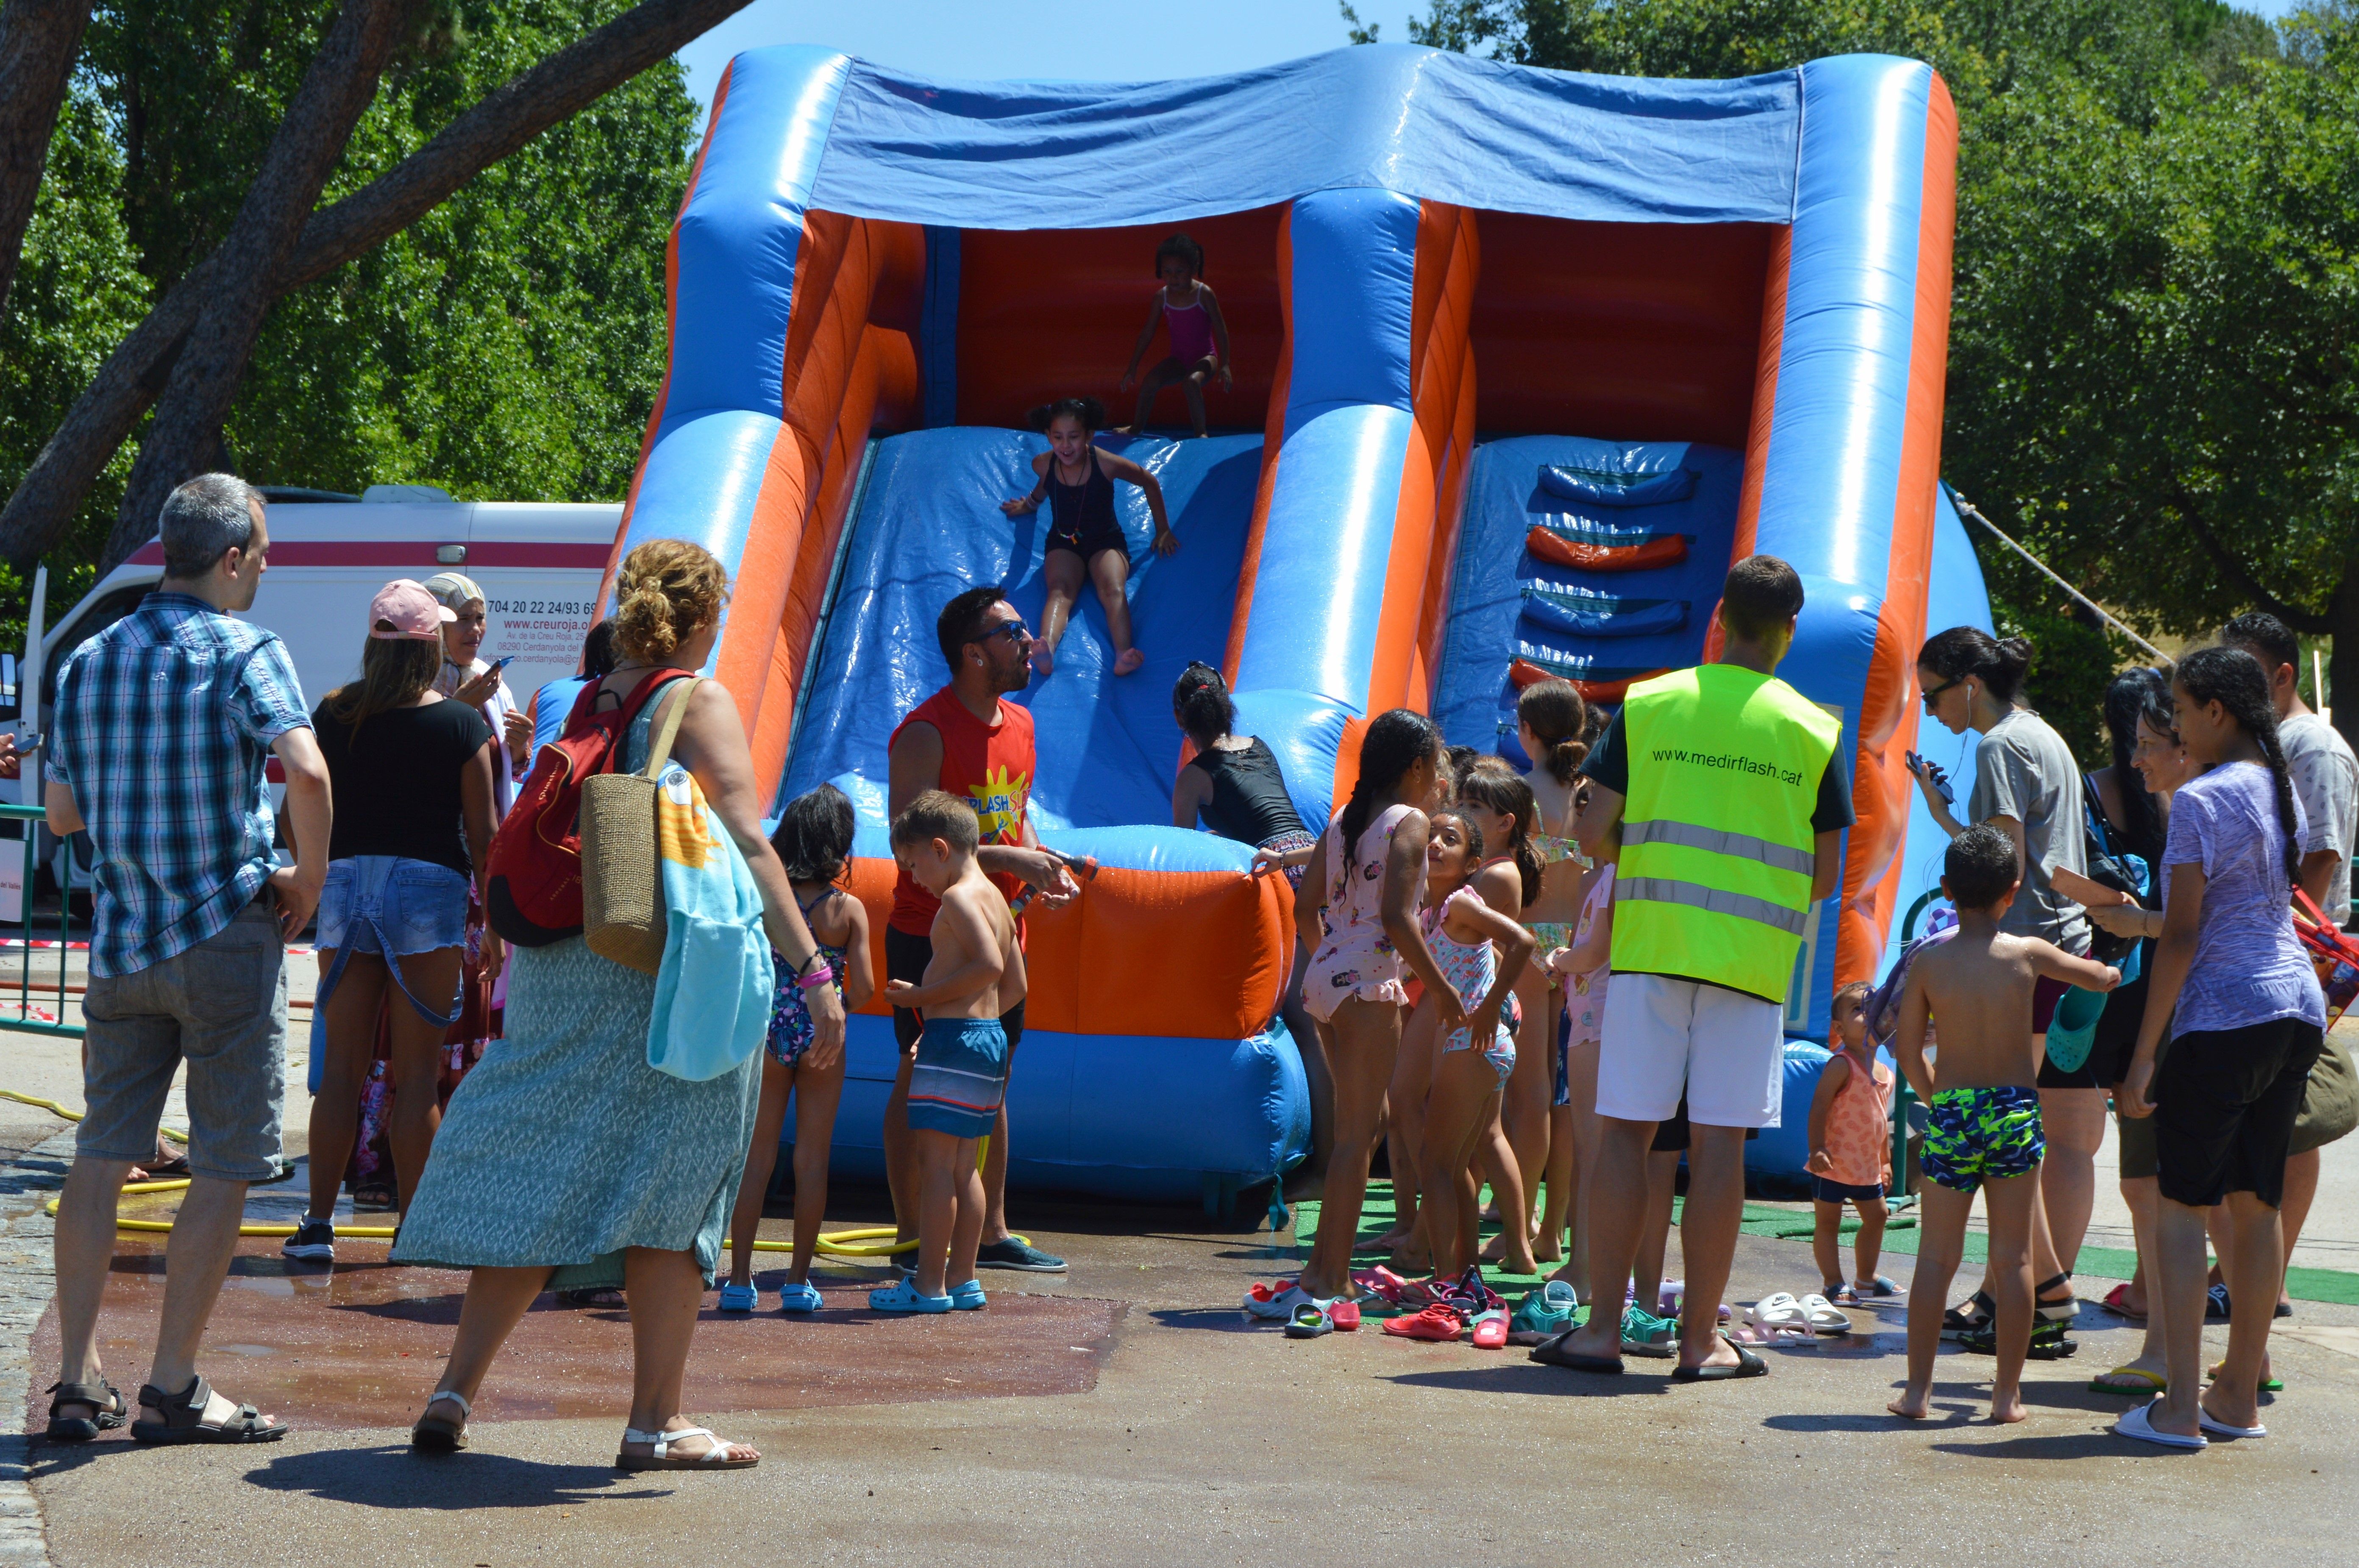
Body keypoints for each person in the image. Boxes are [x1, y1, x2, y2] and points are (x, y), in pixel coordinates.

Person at [395, 539, 845, 1469]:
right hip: (657, 970)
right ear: (707, 617)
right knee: (676, 1191)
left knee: (544, 1176)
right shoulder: (695, 698)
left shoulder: (581, 697)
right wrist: (813, 970)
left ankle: (453, 1388)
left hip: (563, 964)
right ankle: (655, 1418)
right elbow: (752, 843)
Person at [42, 473, 328, 1444]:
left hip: (123, 940)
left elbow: (61, 814)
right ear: (235, 556)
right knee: (223, 1161)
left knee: (100, 1153)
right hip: (224, 934)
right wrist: (308, 881)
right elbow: (311, 768)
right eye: (263, 554)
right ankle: (173, 1384)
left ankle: (77, 1380)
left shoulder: (88, 658)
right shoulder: (247, 649)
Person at [1536, 556, 1851, 1381]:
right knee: (1718, 1152)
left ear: (1720, 616)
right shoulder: (1813, 730)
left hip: (1649, 952)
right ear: (1787, 630)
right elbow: (1822, 877)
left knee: (1624, 1138)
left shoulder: (1651, 703)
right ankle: (1699, 1340)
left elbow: (1591, 827)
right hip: (1749, 966)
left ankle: (1602, 1329)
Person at [2116, 646, 2326, 1450]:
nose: (2174, 721)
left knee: (2180, 1204)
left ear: (2217, 714)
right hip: (2293, 1009)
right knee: (2255, 1202)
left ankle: (2176, 1408)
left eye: (2182, 706)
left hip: (2225, 1014)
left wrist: (2143, 1058)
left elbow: (2182, 934)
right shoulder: (2278, 790)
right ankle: (2237, 1394)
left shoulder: (2202, 801)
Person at [283, 580, 498, 1263]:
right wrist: (491, 919)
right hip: (427, 892)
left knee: (341, 1070)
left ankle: (317, 1226)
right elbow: (484, 833)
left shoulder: (332, 715)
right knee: (417, 1073)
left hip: (345, 887)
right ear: (430, 644)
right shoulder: (463, 725)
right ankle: (416, 1230)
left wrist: (308, 875)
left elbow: (297, 806)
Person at [1888, 825, 2121, 1424]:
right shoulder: (2026, 954)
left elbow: (1909, 1051)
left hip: (1952, 1111)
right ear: (2011, 892)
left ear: (1944, 889)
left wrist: (1937, 1097)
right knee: (2014, 1257)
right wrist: (2113, 968)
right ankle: (2005, 1397)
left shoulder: (1928, 962)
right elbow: (2095, 978)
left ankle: (1916, 1392)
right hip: (2013, 1112)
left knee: (1935, 1258)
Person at [1244, 709, 1458, 1336]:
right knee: (1357, 1139)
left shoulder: (1343, 819)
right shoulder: (1409, 823)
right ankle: (1326, 1276)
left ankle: (1321, 1268)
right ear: (1416, 768)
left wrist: (1333, 954)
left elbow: (1306, 903)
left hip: (1326, 980)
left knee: (1360, 1132)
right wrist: (1439, 988)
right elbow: (1398, 917)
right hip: (1366, 986)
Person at [884, 587, 1079, 1273]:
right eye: (1013, 631)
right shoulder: (925, 733)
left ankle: (991, 1232)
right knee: (920, 1078)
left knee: (993, 1076)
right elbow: (908, 847)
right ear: (974, 655)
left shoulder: (1021, 725)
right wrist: (1010, 859)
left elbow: (1012, 818)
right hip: (930, 937)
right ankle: (913, 1234)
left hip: (1002, 935)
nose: (1029, 640)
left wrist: (1041, 871)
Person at [1907, 626, 2096, 1332]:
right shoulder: (2040, 732)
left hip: (2023, 953)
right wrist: (1944, 813)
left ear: (1970, 685)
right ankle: (2009, 1291)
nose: (1930, 712)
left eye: (1932, 695)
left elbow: (2003, 866)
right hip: (2060, 948)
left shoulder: (1997, 746)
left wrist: (1947, 828)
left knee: (1998, 1133)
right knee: (2017, 1130)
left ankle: (2044, 1292)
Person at [2222, 612, 2357, 1304]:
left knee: (2294, 1120)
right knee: (2272, 1117)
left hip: (2300, 949)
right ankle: (2249, 1275)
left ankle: (2265, 1281)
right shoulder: (2268, 740)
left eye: (2246, 673)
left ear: (2281, 674)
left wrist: (2281, 937)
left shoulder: (2313, 745)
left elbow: (2323, 855)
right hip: (2272, 944)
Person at [873, 790, 1029, 1312]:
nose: (913, 877)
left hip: (956, 1041)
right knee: (964, 1167)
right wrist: (964, 1021)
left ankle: (929, 1283)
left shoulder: (958, 899)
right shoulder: (997, 900)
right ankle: (963, 1277)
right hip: (985, 1039)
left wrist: (920, 1001)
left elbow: (986, 965)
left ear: (940, 849)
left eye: (913, 864)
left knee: (937, 1165)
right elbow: (1014, 985)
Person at [718, 784, 871, 1315]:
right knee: (812, 1159)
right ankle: (799, 1281)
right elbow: (869, 988)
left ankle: (738, 1280)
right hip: (822, 1037)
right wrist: (838, 1002)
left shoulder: (770, 900)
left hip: (768, 1032)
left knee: (756, 1157)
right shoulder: (847, 909)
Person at [1173, 661, 1329, 1176]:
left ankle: (1329, 1155)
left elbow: (1181, 850)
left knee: (1305, 1023)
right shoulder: (1260, 745)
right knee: (1326, 1009)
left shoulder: (1194, 776)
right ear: (1227, 707)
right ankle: (1338, 1142)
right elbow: (1267, 808)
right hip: (1311, 858)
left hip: (1277, 875)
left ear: (1182, 720)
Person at [2078, 679, 2188, 1396]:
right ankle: (2232, 1350)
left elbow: (2181, 929)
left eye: (2156, 745)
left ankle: (2162, 1335)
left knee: (2152, 1179)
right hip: (2175, 997)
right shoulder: (2196, 797)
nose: (2144, 758)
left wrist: (2139, 922)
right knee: (2188, 1183)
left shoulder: (2114, 790)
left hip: (2139, 991)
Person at [1412, 811, 1535, 1282]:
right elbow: (1491, 955)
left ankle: (1444, 1279)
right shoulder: (1432, 910)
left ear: (1472, 864)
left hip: (1475, 1042)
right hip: (1475, 1044)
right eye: (1430, 837)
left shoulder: (1462, 905)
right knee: (1457, 1164)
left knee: (1436, 1162)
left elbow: (1521, 939)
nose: (1436, 844)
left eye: (1451, 839)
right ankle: (1463, 1275)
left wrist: (1492, 1007)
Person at [1001, 396, 1176, 677]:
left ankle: (1123, 654)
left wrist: (1163, 529)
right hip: (1063, 540)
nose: (1065, 445)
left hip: (1105, 541)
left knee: (1112, 589)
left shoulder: (1105, 463)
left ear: (1089, 436)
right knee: (1060, 590)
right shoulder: (1044, 464)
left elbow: (1149, 481)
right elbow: (1044, 488)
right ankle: (1045, 648)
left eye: (1073, 437)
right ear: (1048, 436)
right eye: (1058, 437)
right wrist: (1029, 505)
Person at [1454, 765, 1551, 1265]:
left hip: (1496, 998)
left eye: (1472, 806)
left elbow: (1496, 945)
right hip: (1501, 995)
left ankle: (1519, 1232)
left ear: (1506, 821)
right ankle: (1525, 1234)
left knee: (1499, 1121)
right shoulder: (1494, 867)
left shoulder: (1495, 873)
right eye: (1461, 802)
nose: (1460, 812)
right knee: (1497, 1121)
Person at [1518, 679, 1588, 1266]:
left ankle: (1519, 1223)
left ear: (1528, 734)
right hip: (1579, 946)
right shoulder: (1590, 795)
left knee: (1530, 1092)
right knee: (1564, 1096)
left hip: (1530, 944)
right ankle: (1553, 1229)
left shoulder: (1522, 794)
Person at [1806, 981, 1894, 1305]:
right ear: (1839, 1028)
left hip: (1866, 1166)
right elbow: (1818, 1108)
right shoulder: (1842, 1064)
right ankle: (1833, 1282)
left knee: (1878, 1216)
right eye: (1858, 1009)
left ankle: (1866, 1278)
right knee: (1828, 1223)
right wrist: (1817, 1147)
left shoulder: (1886, 1072)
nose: (1868, 1015)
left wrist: (1885, 1161)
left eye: (1874, 1009)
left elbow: (1882, 1122)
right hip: (1833, 1163)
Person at [1117, 232, 1232, 439]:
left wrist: (1225, 364)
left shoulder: (1204, 294)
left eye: (1180, 271)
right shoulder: (1162, 297)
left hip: (1206, 357)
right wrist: (1133, 366)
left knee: (1192, 382)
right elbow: (1147, 333)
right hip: (1179, 359)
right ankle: (1136, 428)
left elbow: (1221, 329)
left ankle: (1201, 432)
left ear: (1193, 269)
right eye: (1168, 272)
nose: (1173, 277)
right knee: (1151, 381)